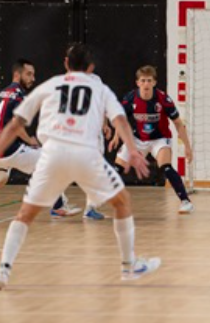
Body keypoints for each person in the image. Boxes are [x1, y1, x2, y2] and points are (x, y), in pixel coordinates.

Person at [0, 44, 160, 289]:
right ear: (91, 67)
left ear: (66, 63)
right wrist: (134, 151)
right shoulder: (100, 88)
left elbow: (14, 125)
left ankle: (3, 270)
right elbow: (120, 121)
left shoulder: (50, 85)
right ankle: (129, 266)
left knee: (25, 214)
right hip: (86, 154)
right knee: (122, 202)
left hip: (52, 154)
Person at [0, 59, 80, 217]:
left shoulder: (2, 92)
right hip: (10, 150)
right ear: (17, 74)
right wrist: (29, 140)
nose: (33, 78)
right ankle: (58, 207)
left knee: (2, 178)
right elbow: (16, 124)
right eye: (29, 74)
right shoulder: (19, 95)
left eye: (33, 75)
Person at [109, 65, 194, 214]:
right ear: (138, 83)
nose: (146, 84)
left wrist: (187, 147)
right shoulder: (130, 98)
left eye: (149, 80)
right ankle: (94, 205)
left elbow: (178, 123)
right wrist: (116, 136)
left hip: (159, 139)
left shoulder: (163, 99)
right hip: (137, 138)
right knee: (117, 169)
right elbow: (121, 119)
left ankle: (185, 201)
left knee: (166, 167)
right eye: (143, 81)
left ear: (154, 82)